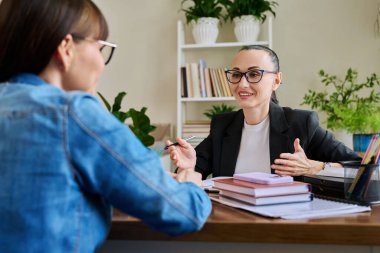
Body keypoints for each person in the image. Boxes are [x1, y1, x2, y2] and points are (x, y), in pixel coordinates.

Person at [0, 1, 211, 252]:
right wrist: (191, 183)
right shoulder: (73, 112)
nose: (101, 64)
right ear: (66, 48)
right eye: (100, 48)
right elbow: (183, 212)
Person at [168, 45, 361, 180]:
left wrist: (314, 167)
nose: (242, 84)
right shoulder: (222, 125)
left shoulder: (301, 123)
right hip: (230, 223)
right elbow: (191, 173)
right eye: (236, 74)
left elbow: (361, 168)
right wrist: (188, 167)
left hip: (284, 225)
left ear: (276, 81)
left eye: (254, 74)